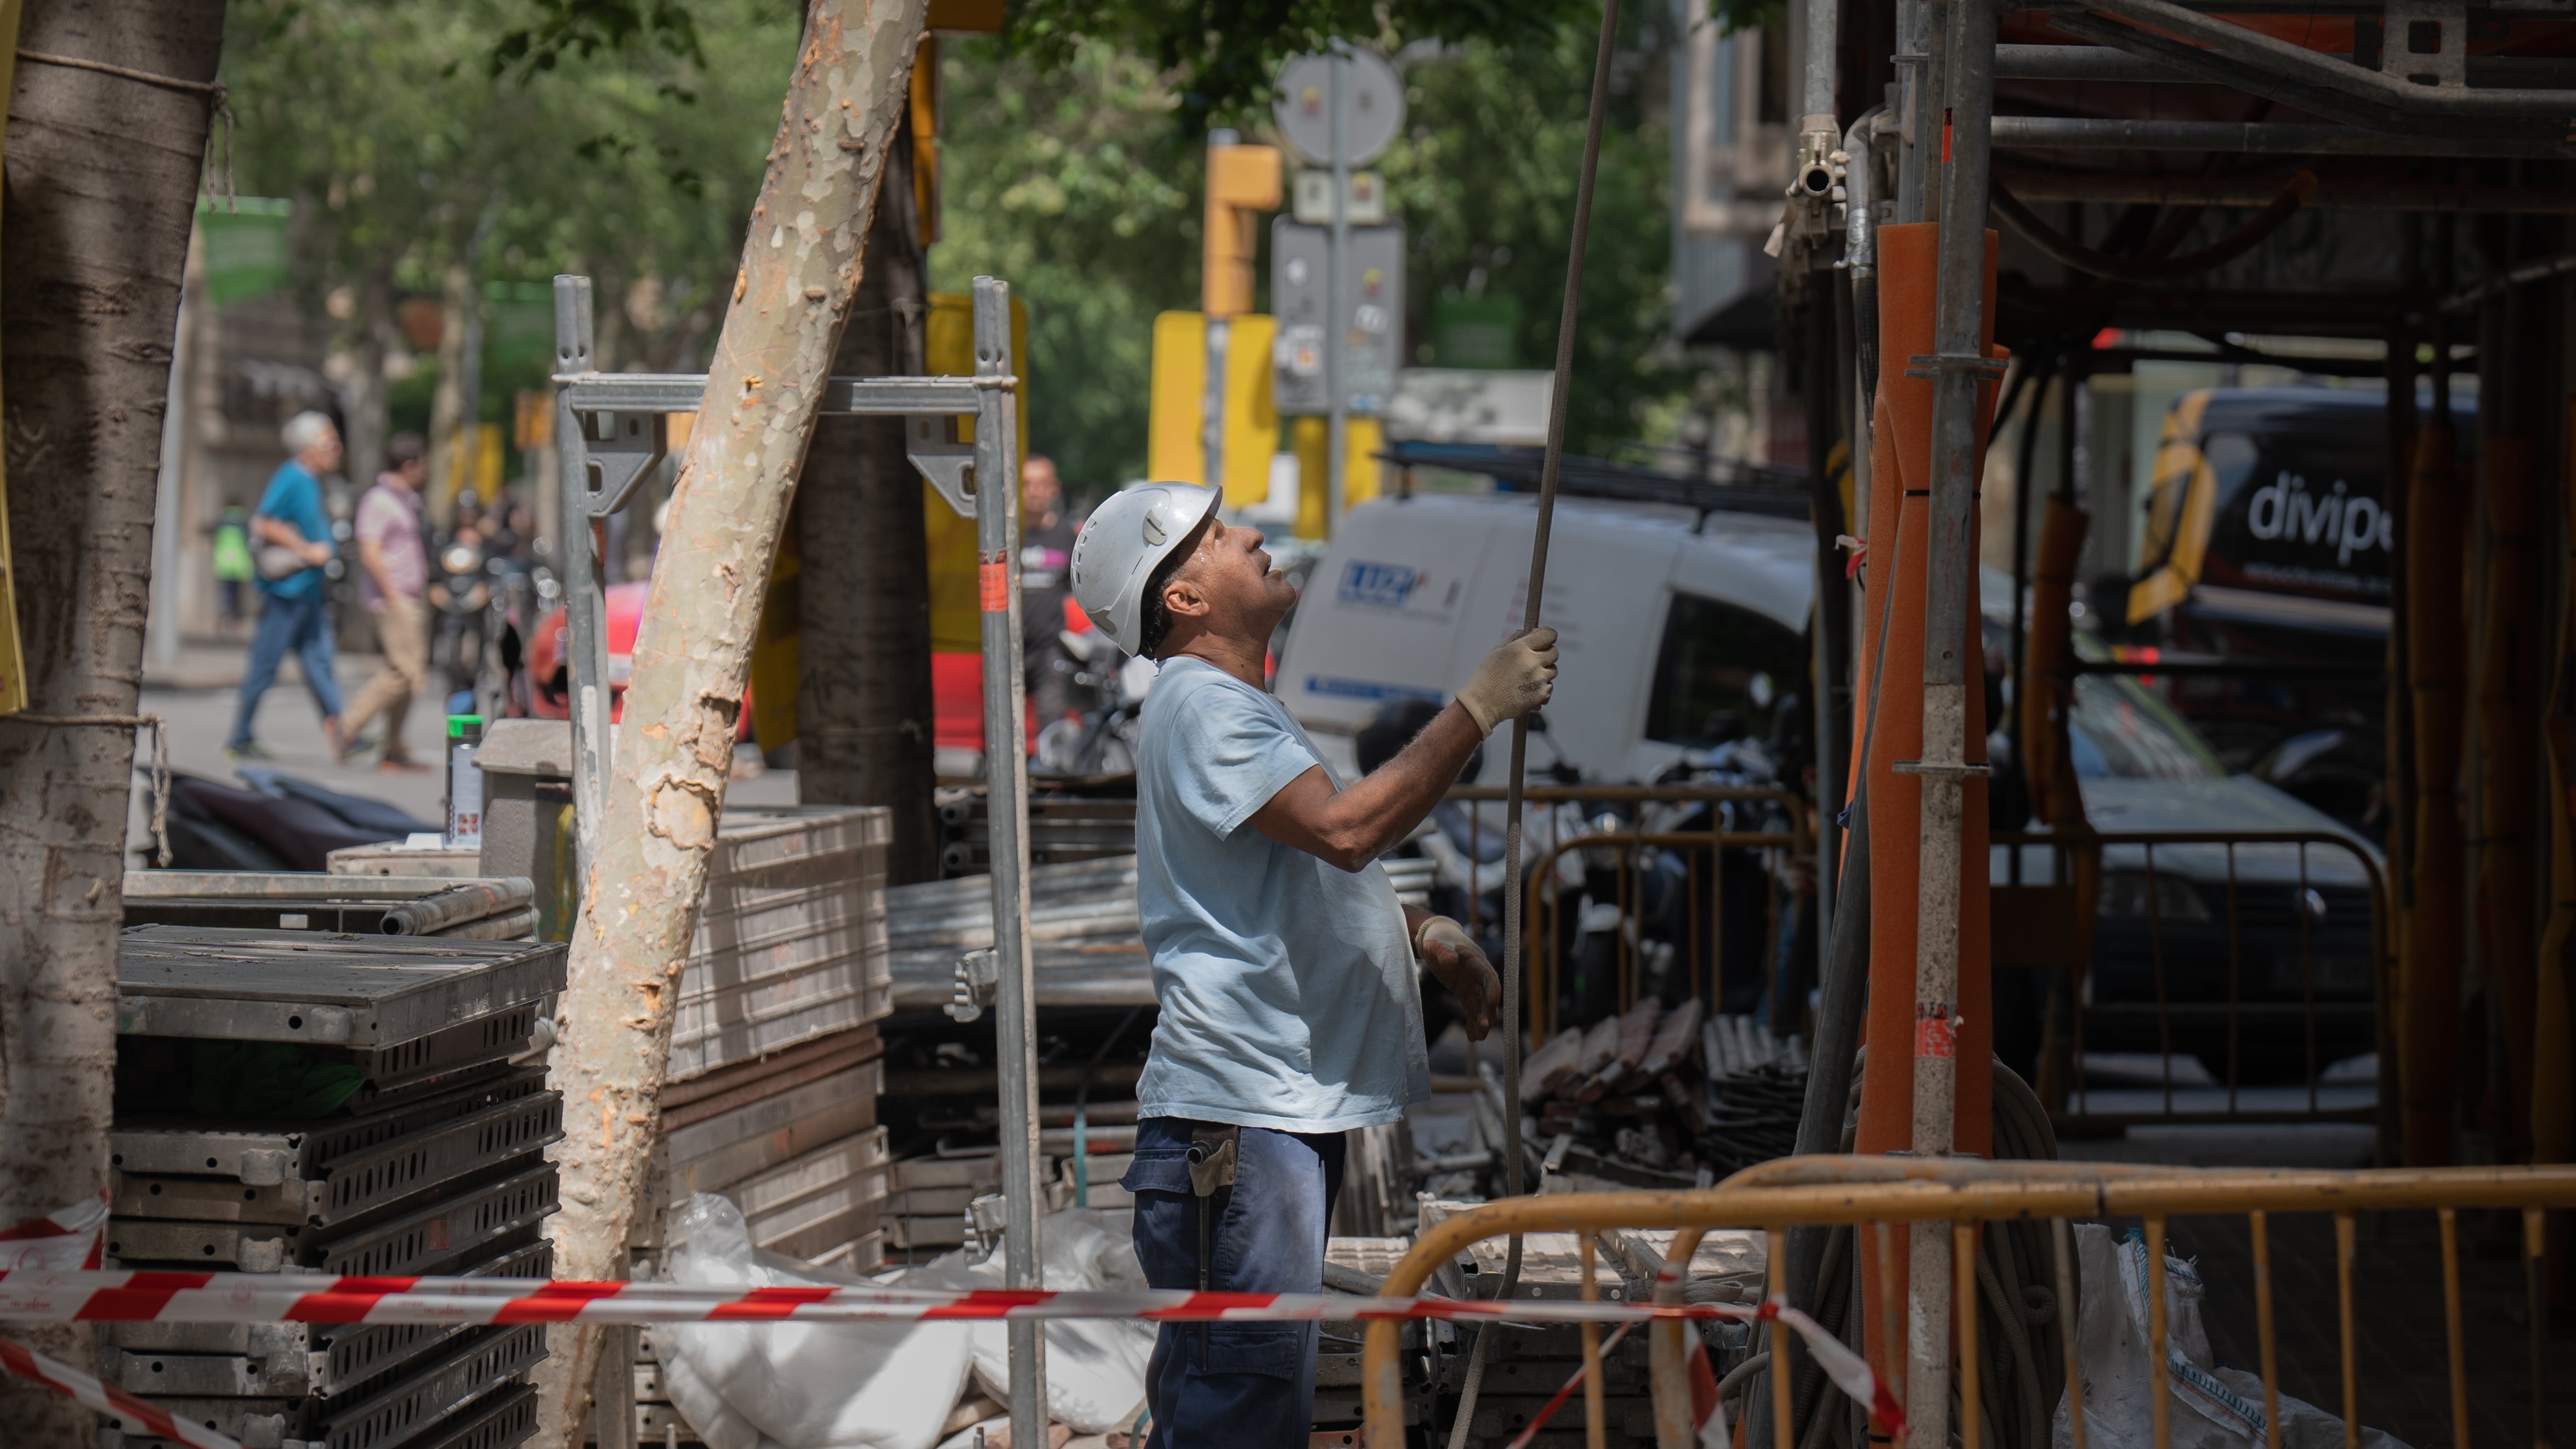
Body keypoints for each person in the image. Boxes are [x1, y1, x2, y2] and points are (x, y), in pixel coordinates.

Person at [1068, 482, 1557, 1447]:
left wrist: (1419, 931)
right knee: (1237, 1410)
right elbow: (1344, 831)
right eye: (1214, 536)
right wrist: (1475, 707)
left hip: (1251, 1123)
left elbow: (1295, 873)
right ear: (1183, 600)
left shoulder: (1231, 705)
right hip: (1238, 1122)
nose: (1247, 533)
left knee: (1231, 1400)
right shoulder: (1207, 707)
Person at [227, 411, 346, 761]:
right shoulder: (293, 477)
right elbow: (263, 523)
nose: (337, 450)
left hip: (307, 593)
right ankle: (240, 737)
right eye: (330, 443)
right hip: (287, 593)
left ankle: (343, 734)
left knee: (319, 664)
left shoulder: (311, 480)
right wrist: (307, 550)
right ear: (307, 448)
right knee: (266, 665)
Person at [337, 433, 433, 771]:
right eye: (423, 464)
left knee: (410, 675)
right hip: (392, 599)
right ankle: (347, 726)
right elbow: (370, 551)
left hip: (409, 596)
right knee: (403, 671)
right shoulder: (378, 500)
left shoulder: (406, 499)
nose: (427, 471)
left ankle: (394, 748)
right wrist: (392, 594)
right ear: (409, 465)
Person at [1018, 455, 1082, 726]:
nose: (1034, 491)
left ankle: (1049, 768)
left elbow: (1079, 592)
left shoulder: (1068, 535)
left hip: (1050, 649)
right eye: (1027, 484)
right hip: (1009, 649)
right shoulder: (1007, 534)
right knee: (1001, 728)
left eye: (1041, 484)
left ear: (1053, 488)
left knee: (1053, 725)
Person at [211, 504, 253, 635]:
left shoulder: (222, 519)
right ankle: (235, 621)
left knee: (225, 592)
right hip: (239, 562)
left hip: (224, 561)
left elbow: (216, 539)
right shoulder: (243, 520)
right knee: (237, 594)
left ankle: (223, 617)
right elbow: (249, 540)